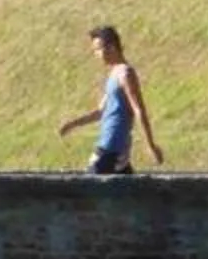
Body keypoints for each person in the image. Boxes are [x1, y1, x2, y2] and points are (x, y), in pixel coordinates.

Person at [59, 24, 163, 174]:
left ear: (112, 47)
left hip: (110, 146)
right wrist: (73, 124)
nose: (96, 54)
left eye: (98, 49)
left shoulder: (125, 74)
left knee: (90, 190)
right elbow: (101, 111)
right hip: (115, 148)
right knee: (126, 195)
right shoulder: (115, 73)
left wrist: (150, 145)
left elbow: (138, 109)